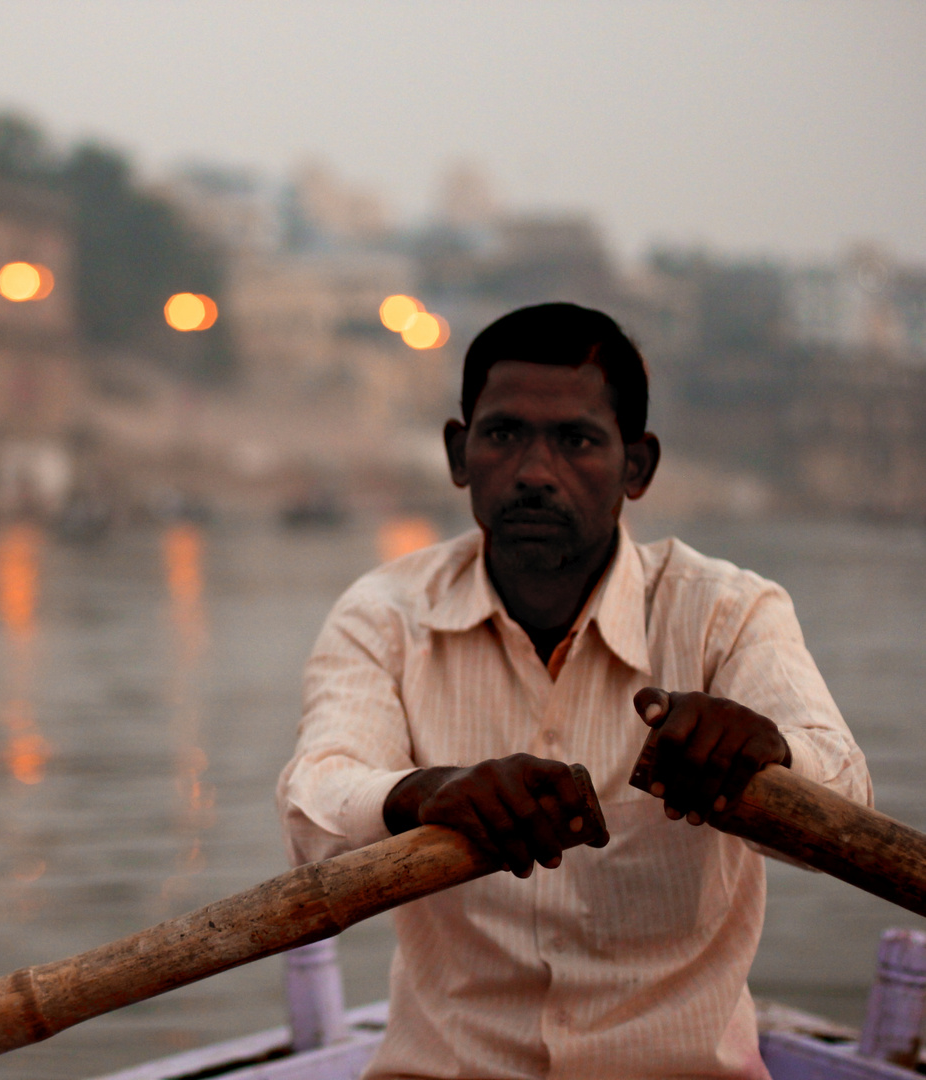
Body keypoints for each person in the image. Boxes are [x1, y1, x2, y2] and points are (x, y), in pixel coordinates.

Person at [276, 302, 870, 1079]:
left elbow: (846, 801)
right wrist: (424, 795)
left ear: (638, 467)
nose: (532, 471)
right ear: (460, 454)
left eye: (577, 441)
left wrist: (765, 755)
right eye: (503, 435)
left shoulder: (726, 613)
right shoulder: (384, 613)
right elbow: (314, 807)